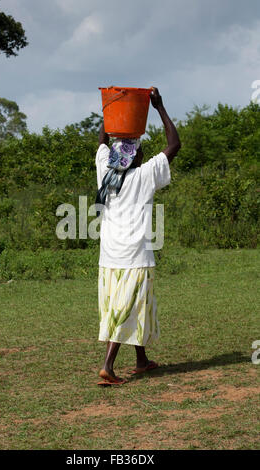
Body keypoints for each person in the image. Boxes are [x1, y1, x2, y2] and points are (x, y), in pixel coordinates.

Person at [95, 87, 181, 385]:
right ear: (133, 157)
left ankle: (142, 360)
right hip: (134, 257)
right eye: (140, 149)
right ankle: (107, 366)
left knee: (135, 304)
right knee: (127, 307)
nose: (144, 152)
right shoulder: (143, 176)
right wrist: (159, 107)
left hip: (109, 258)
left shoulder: (103, 172)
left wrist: (112, 112)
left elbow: (103, 142)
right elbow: (174, 145)